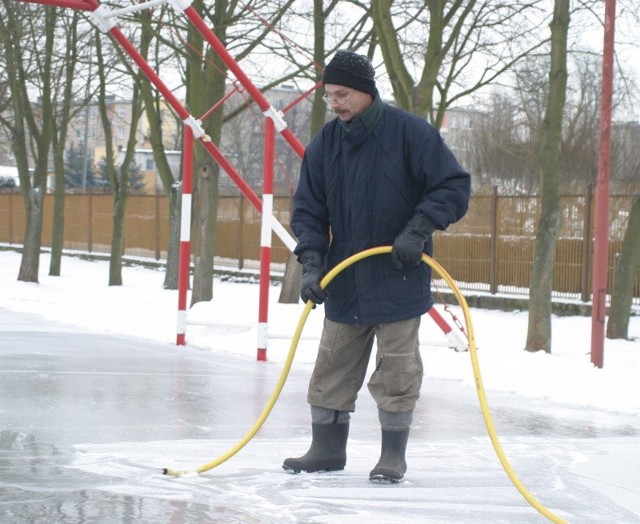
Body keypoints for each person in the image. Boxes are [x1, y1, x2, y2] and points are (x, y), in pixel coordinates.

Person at [283, 50, 471, 483]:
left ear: (366, 91)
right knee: (332, 365)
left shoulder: (410, 133)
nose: (336, 102)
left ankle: (392, 456)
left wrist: (418, 229)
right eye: (330, 95)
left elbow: (452, 186)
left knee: (398, 367)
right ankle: (326, 449)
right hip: (344, 277)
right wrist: (312, 263)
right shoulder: (326, 144)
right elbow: (309, 209)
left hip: (398, 272)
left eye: (343, 93)